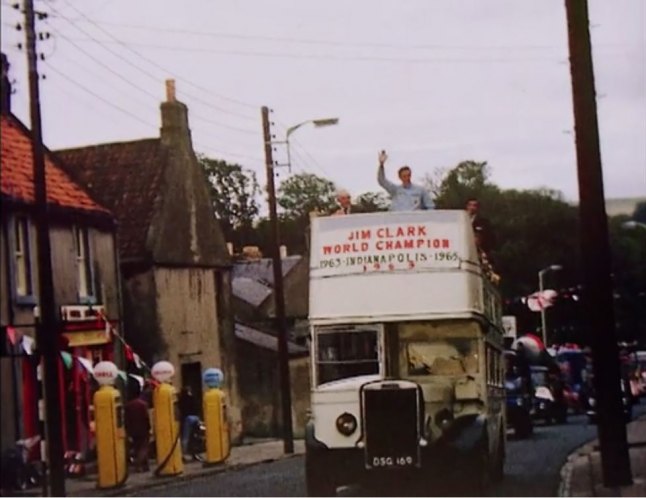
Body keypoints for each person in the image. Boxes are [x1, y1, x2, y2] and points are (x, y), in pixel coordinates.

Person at [124, 383, 150, 472]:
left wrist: (127, 431)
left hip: (133, 430)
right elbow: (146, 417)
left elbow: (126, 419)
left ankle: (145, 466)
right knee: (144, 447)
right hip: (143, 429)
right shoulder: (143, 404)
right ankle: (138, 465)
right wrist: (149, 427)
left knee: (137, 447)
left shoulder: (128, 406)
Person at [179, 386, 200, 456]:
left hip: (187, 418)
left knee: (185, 436)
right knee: (194, 436)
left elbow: (180, 409)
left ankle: (183, 453)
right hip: (195, 417)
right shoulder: (192, 398)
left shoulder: (181, 399)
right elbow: (197, 406)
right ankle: (194, 451)